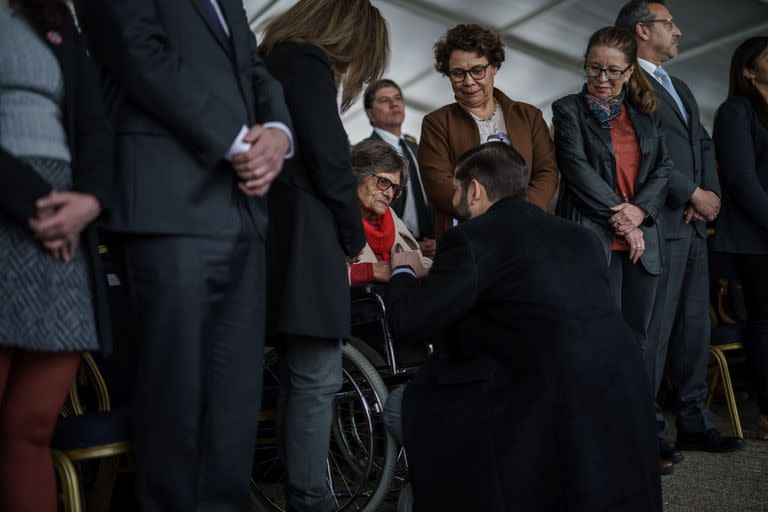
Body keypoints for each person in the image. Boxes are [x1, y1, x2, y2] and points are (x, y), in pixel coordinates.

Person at [76, 0, 294, 509]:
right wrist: (237, 140)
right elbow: (137, 55)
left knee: (233, 409)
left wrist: (278, 134)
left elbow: (253, 68)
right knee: (176, 401)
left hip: (242, 212)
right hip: (166, 201)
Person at [383, 142, 661, 512]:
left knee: (400, 406)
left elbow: (410, 322)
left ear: (475, 190)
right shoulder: (579, 238)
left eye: (454, 188)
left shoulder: (470, 238)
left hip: (536, 398)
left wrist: (403, 269)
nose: (451, 198)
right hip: (621, 391)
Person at [257, 2, 389, 510]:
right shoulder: (306, 65)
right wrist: (351, 232)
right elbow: (330, 155)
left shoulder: (268, 60)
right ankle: (312, 500)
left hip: (273, 239)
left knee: (297, 378)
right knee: (316, 379)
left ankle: (303, 492)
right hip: (307, 242)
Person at [616, 0, 745, 463]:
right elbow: (640, 151)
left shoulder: (682, 86)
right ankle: (646, 430)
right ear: (641, 31)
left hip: (692, 226)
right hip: (657, 224)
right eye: (669, 23)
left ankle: (693, 422)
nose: (679, 31)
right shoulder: (625, 81)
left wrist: (707, 194)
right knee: (653, 330)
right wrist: (691, 194)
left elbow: (702, 142)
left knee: (693, 328)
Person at [0, 0, 112, 510]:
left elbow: (94, 122)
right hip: (21, 212)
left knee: (32, 426)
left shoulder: (53, 15)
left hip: (67, 226)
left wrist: (89, 199)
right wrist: (36, 207)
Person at [552, 28, 672, 459]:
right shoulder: (567, 111)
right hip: (595, 240)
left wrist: (640, 212)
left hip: (643, 241)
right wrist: (625, 221)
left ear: (630, 70)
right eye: (593, 68)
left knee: (639, 341)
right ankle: (597, 438)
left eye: (612, 71)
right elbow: (578, 172)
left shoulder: (645, 112)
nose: (601, 78)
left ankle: (639, 433)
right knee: (597, 339)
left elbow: (664, 168)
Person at [418, 23, 559, 241]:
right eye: (458, 73)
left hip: (526, 232)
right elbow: (438, 184)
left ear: (494, 66)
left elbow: (547, 173)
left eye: (477, 70)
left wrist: (519, 215)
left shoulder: (529, 116)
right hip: (465, 236)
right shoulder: (436, 123)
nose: (468, 81)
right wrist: (492, 217)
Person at [712, 36, 768, 441]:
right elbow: (741, 180)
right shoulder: (736, 111)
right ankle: (767, 413)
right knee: (766, 323)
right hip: (754, 237)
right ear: (749, 70)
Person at [363, 79, 436, 258]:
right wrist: (402, 244)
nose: (394, 104)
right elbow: (367, 208)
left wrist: (437, 238)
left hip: (431, 247)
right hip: (390, 252)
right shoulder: (365, 152)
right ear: (371, 114)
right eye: (384, 101)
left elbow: (431, 192)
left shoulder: (416, 148)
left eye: (397, 98)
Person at [349, 140, 431, 285]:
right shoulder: (331, 217)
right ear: (357, 174)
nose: (389, 194)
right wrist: (371, 270)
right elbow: (316, 274)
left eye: (395, 188)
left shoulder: (391, 217)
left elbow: (420, 260)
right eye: (383, 182)